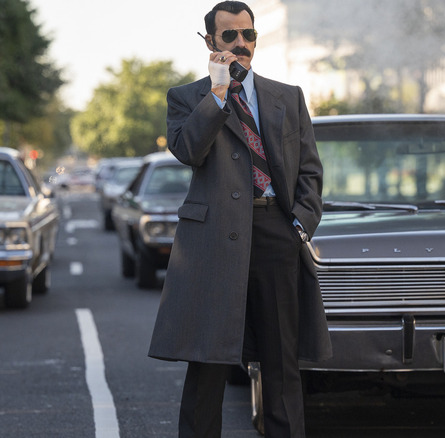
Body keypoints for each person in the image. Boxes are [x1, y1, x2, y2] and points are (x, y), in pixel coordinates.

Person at [148, 2, 332, 437]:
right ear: (210, 41)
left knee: (281, 362)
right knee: (208, 361)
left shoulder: (288, 96)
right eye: (229, 36)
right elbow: (189, 150)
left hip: (275, 232)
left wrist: (300, 225)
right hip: (212, 240)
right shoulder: (186, 98)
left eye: (248, 35)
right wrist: (216, 93)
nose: (241, 44)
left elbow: (309, 169)